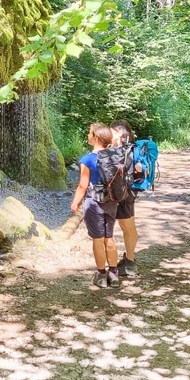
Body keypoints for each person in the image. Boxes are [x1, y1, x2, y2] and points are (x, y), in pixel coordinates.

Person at [70, 123, 120, 288]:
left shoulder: (87, 159)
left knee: (98, 239)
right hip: (112, 201)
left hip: (95, 201)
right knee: (109, 236)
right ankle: (113, 273)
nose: (87, 135)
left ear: (96, 137)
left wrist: (75, 202)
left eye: (89, 133)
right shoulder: (115, 155)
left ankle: (100, 274)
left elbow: (83, 185)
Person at [110, 120, 139, 276]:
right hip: (130, 191)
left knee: (127, 227)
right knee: (129, 226)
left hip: (124, 193)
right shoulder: (130, 149)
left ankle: (130, 263)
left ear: (120, 134)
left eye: (111, 132)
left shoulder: (123, 151)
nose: (109, 134)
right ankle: (130, 257)